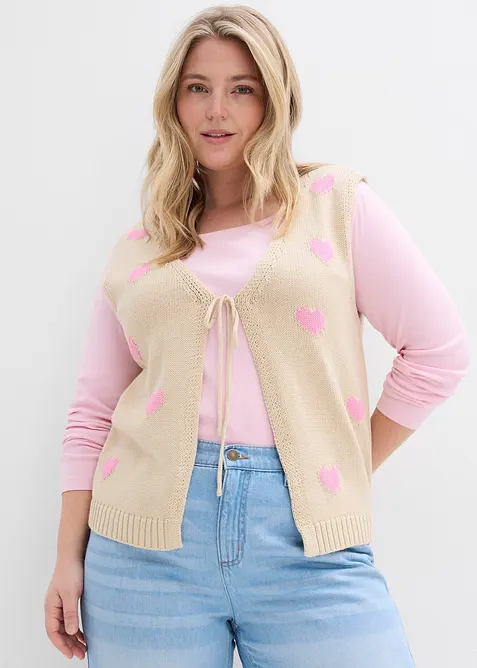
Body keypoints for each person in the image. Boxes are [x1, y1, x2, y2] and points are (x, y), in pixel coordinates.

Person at [44, 5, 470, 667]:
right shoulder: (141, 246)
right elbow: (92, 413)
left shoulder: (335, 204)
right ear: (174, 103)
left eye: (241, 88)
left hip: (307, 543)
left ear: (274, 99)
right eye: (198, 87)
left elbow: (439, 351)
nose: (217, 109)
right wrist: (66, 558)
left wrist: (338, 465)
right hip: (141, 553)